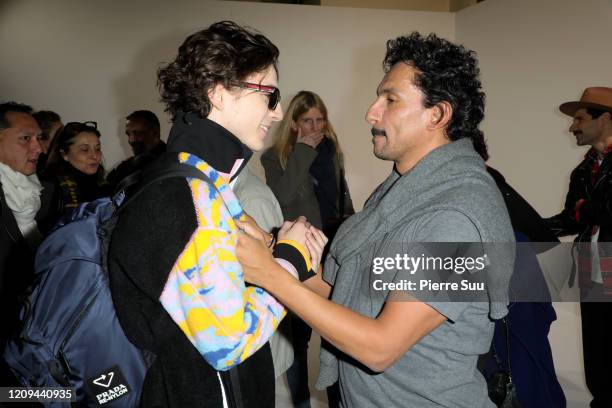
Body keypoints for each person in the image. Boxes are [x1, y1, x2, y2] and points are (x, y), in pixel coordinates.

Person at [237, 32, 514, 407]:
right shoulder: (403, 193)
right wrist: (275, 252)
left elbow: (380, 347)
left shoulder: (456, 216)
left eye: (391, 100)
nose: (371, 112)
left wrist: (269, 275)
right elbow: (355, 298)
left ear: (438, 114)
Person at [107, 21, 323, 407]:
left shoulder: (204, 181)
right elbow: (229, 341)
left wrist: (275, 248)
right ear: (219, 92)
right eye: (269, 96)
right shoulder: (183, 195)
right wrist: (289, 259)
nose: (276, 114)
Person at [261, 91, 354, 407]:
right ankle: (301, 402)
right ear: (294, 124)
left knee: (338, 334)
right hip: (299, 257)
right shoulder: (275, 156)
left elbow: (343, 200)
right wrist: (302, 151)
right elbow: (281, 197)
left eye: (320, 120)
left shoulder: (333, 152)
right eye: (307, 121)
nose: (315, 127)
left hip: (334, 253)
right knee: (297, 339)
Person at [544, 87, 612, 408]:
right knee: (597, 356)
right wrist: (528, 226)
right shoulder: (583, 170)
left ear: (606, 119)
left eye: (580, 119)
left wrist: (587, 211)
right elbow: (573, 218)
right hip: (593, 272)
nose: (572, 127)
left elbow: (592, 213)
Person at [0, 101, 58, 390]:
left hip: (36, 343)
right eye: (26, 138)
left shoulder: (47, 193)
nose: (39, 148)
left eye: (39, 138)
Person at [42, 121, 110, 214]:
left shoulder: (103, 184)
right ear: (64, 154)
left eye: (97, 149)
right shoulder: (50, 186)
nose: (94, 156)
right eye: (84, 150)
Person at [106, 110, 166, 189]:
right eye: (128, 134)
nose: (131, 140)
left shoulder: (173, 162)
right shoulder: (123, 167)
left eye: (138, 133)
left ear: (155, 133)